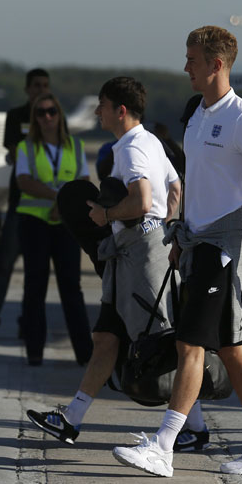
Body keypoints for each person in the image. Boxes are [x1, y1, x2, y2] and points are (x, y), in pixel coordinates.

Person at [112, 26, 242, 477]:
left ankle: (164, 445)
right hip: (197, 243)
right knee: (230, 347)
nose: (185, 66)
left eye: (192, 58)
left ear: (216, 64)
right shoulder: (199, 116)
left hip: (225, 248)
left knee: (190, 344)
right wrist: (181, 238)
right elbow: (196, 186)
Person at [27, 77, 215, 450]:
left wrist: (107, 213)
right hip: (141, 251)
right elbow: (175, 187)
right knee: (106, 337)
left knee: (158, 342)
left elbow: (142, 200)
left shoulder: (129, 148)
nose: (98, 111)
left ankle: (194, 427)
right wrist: (164, 228)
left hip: (138, 258)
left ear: (120, 110)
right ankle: (71, 420)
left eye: (102, 105)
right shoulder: (151, 142)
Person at [15, 93, 92, 366]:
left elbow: (84, 180)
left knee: (71, 288)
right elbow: (24, 181)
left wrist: (63, 204)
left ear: (59, 115)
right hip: (35, 222)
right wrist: (57, 197)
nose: (47, 117)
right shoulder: (26, 147)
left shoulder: (76, 146)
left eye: (51, 112)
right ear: (35, 118)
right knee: (35, 286)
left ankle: (85, 353)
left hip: (66, 224)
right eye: (40, 113)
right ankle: (34, 350)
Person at [0, 68, 51, 339]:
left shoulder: (53, 117)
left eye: (45, 85)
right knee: (3, 267)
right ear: (27, 89)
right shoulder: (16, 116)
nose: (41, 89)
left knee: (36, 272)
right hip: (18, 202)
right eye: (36, 85)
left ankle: (29, 322)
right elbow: (14, 150)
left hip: (44, 206)